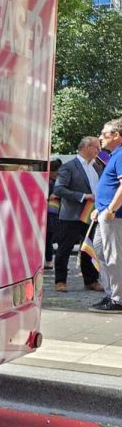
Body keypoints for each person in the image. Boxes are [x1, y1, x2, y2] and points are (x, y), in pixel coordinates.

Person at [52, 136, 102, 292]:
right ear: (86, 147)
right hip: (72, 215)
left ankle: (91, 280)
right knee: (64, 249)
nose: (99, 151)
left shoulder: (96, 167)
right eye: (96, 147)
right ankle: (60, 281)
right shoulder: (69, 166)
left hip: (91, 215)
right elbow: (59, 189)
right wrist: (83, 196)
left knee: (89, 248)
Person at [93, 122, 122, 311]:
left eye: (104, 134)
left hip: (114, 215)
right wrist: (100, 208)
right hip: (105, 213)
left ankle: (118, 299)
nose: (101, 138)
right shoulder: (114, 155)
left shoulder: (120, 155)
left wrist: (111, 209)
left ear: (117, 135)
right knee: (100, 251)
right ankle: (111, 293)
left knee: (114, 256)